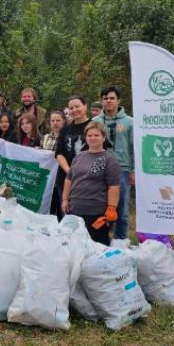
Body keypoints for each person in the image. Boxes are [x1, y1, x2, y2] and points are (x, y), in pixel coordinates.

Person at [62, 122, 121, 245]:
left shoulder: (110, 159)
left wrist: (111, 208)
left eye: (96, 135)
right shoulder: (78, 157)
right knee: (75, 246)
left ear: (103, 137)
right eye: (89, 135)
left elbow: (114, 187)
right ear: (86, 137)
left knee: (97, 248)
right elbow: (69, 180)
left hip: (96, 214)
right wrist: (65, 200)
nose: (92, 138)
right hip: (75, 210)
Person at [93, 86, 135, 241]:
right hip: (100, 168)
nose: (108, 101)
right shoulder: (95, 122)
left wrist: (134, 170)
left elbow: (134, 147)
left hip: (122, 169)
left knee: (121, 209)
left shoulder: (130, 122)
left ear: (119, 100)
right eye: (105, 98)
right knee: (100, 207)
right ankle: (101, 240)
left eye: (111, 98)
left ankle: (120, 243)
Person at [54, 95, 94, 221]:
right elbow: (59, 153)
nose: (74, 110)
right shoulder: (65, 130)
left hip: (88, 178)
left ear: (85, 107)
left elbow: (102, 151)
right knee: (67, 213)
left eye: (77, 106)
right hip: (65, 178)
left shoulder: (95, 126)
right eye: (71, 108)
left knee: (86, 215)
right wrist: (69, 170)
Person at [40, 109, 66, 216]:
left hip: (62, 179)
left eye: (58, 120)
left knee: (61, 210)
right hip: (48, 179)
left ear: (63, 121)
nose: (55, 123)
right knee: (49, 209)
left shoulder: (67, 138)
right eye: (53, 120)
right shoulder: (44, 138)